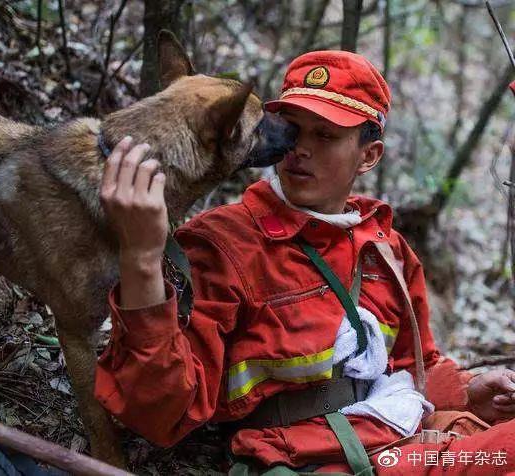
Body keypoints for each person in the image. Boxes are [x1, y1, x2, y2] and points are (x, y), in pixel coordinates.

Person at [95, 50, 515, 474]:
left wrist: (466, 390)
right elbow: (156, 409)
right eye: (293, 130)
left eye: (325, 136)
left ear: (368, 156)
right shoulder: (223, 244)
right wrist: (142, 261)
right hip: (322, 458)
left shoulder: (385, 246)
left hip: (407, 431)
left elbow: (413, 363)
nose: (299, 149)